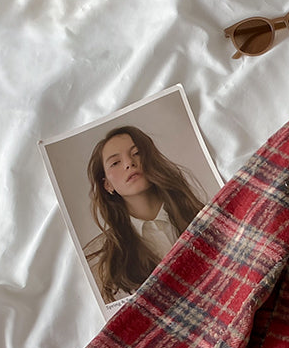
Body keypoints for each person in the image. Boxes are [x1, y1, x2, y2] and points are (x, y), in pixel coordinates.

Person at [86, 125, 205, 303]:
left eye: (137, 153)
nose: (129, 163)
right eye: (115, 163)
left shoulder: (200, 215)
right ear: (107, 185)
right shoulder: (104, 260)